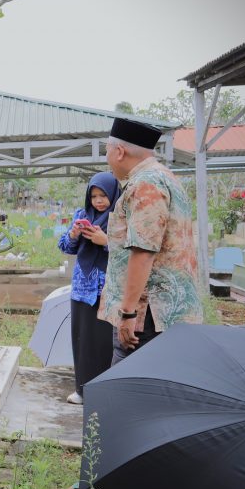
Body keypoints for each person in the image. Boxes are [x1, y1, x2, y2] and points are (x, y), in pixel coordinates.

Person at [99, 118, 202, 366]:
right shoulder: (166, 178)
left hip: (147, 318)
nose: (107, 159)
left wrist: (127, 313)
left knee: (129, 392)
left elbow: (143, 252)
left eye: (107, 152)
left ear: (120, 151)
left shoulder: (146, 184)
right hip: (165, 315)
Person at [57, 173, 120, 405]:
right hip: (82, 287)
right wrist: (73, 234)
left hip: (107, 289)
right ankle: (82, 389)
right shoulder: (81, 215)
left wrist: (106, 241)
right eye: (93, 196)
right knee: (82, 339)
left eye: (103, 195)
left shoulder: (120, 218)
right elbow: (65, 246)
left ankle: (104, 389)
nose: (98, 201)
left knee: (105, 340)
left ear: (113, 194)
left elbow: (129, 251)